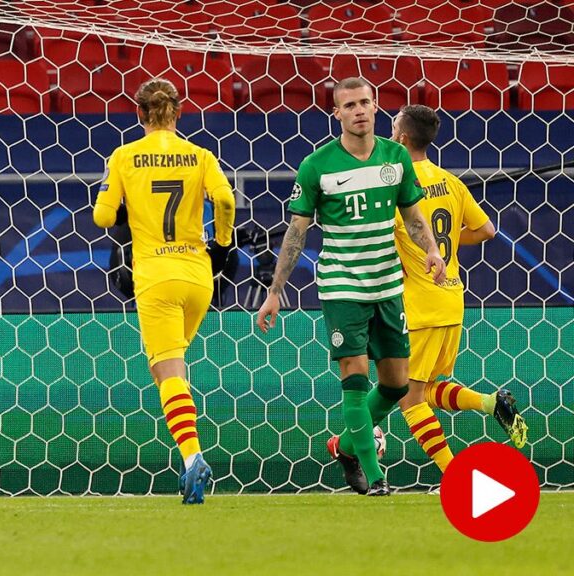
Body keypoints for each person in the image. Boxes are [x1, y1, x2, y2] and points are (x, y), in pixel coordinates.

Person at [257, 78, 447, 496]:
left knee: (397, 384)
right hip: (343, 287)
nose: (359, 110)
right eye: (350, 105)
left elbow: (414, 217)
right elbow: (296, 233)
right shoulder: (317, 165)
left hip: (387, 285)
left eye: (365, 102)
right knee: (355, 377)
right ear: (337, 114)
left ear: (376, 107)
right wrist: (274, 292)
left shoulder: (396, 157)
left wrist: (431, 250)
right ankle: (375, 476)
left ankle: (344, 446)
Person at [93, 78, 235, 504]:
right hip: (197, 275)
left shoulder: (124, 156)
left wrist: (117, 201)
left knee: (168, 372)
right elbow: (226, 201)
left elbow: (102, 217)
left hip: (155, 275)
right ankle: (186, 462)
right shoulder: (200, 155)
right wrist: (223, 244)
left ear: (139, 114)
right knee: (168, 371)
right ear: (178, 113)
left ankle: (193, 459)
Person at [370, 105, 525, 476]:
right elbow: (487, 230)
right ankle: (490, 402)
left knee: (409, 399)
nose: (390, 133)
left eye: (392, 127)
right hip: (453, 297)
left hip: (420, 305)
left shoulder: (397, 184)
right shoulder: (450, 181)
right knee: (428, 388)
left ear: (403, 138)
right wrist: (446, 243)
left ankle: (455, 476)